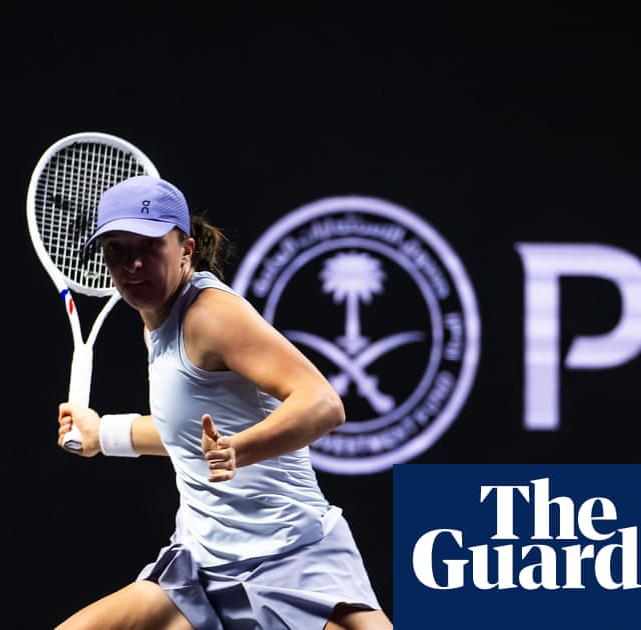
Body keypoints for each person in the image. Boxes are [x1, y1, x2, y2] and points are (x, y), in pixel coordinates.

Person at [55, 175, 393, 630]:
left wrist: (240, 449)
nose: (133, 263)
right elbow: (185, 431)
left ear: (186, 250)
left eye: (151, 246)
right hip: (201, 564)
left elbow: (324, 403)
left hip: (288, 555)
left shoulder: (211, 315)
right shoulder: (155, 320)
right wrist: (104, 433)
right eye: (117, 249)